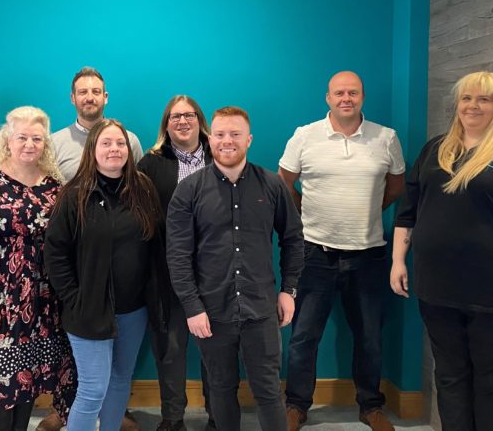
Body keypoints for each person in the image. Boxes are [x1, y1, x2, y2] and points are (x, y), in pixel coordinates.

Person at [279, 71, 404, 431]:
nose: (346, 98)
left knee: (369, 337)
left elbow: (395, 187)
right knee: (303, 335)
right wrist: (307, 210)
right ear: (328, 97)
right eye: (339, 93)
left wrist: (366, 211)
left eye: (353, 92)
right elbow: (283, 181)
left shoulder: (386, 138)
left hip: (368, 254)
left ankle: (370, 406)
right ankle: (297, 405)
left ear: (362, 96)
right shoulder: (305, 136)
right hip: (314, 253)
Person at [167, 106, 304, 431]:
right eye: (220, 134)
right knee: (221, 390)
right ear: (210, 137)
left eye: (235, 134)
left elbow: (293, 239)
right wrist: (191, 306)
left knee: (269, 392)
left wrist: (289, 290)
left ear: (249, 139)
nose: (227, 141)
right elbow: (177, 254)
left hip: (261, 310)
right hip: (211, 313)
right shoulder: (189, 191)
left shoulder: (271, 185)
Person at [391, 71, 493, 431]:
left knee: (492, 380)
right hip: (436, 285)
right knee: (450, 374)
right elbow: (408, 210)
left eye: (484, 99)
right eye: (466, 98)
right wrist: (398, 260)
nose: (472, 106)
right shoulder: (435, 148)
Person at [0, 106, 76, 431]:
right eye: (22, 137)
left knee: (26, 386)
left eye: (36, 138)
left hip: (41, 307)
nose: (29, 144)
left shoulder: (54, 188)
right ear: (8, 140)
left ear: (45, 143)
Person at [45, 119, 165, 431]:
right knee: (93, 388)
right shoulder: (74, 195)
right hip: (88, 310)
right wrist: (74, 298)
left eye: (120, 143)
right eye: (106, 143)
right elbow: (55, 253)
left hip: (133, 309)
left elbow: (155, 244)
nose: (114, 149)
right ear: (93, 151)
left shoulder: (144, 189)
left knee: (119, 382)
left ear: (129, 148)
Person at [137, 95, 215, 431]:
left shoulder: (220, 155)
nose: (182, 121)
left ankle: (220, 413)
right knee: (169, 346)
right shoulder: (151, 163)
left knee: (216, 348)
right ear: (165, 125)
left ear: (199, 119)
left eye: (188, 115)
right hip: (166, 270)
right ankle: (173, 417)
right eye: (174, 116)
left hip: (216, 271)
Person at [52, 66, 144, 182]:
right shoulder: (54, 144)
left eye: (96, 92)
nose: (90, 98)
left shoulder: (129, 141)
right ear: (73, 98)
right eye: (83, 92)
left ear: (105, 97)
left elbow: (140, 188)